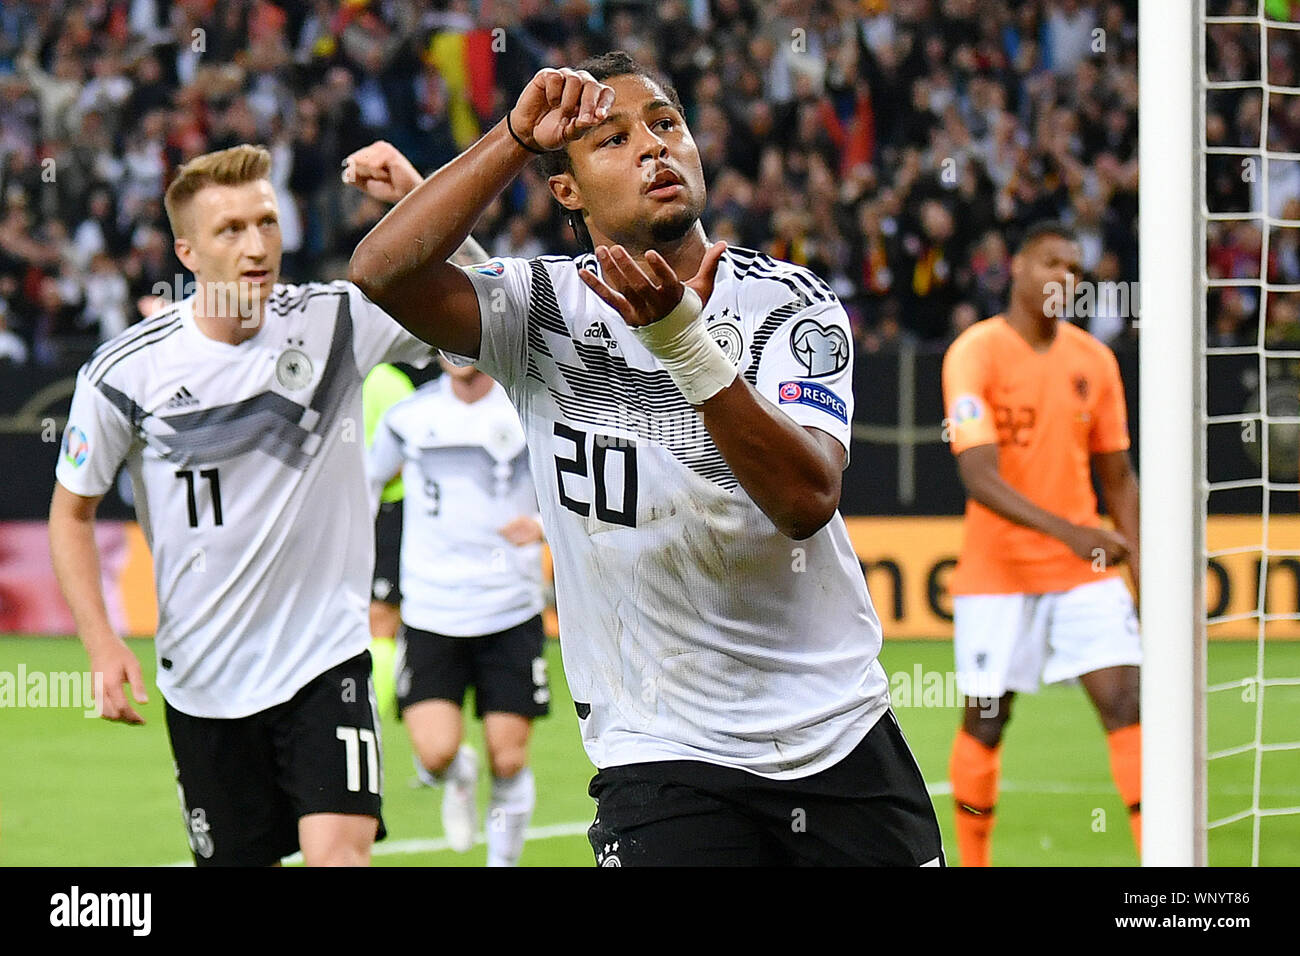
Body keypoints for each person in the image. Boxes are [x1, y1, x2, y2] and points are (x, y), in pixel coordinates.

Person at [346, 52, 944, 866]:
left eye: (667, 123)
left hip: (834, 731)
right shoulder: (539, 310)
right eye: (614, 139)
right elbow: (379, 271)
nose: (654, 148)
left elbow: (807, 499)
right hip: (658, 752)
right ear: (567, 189)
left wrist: (683, 345)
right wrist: (514, 137)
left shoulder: (787, 302)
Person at [47, 144, 450, 867]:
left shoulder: (337, 324)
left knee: (340, 857)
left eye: (267, 221)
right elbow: (70, 513)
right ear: (188, 252)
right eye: (231, 230)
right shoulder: (125, 372)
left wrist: (417, 196)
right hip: (203, 682)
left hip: (324, 663)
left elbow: (489, 305)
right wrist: (102, 646)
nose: (257, 245)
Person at [941, 221, 1141, 867]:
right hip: (998, 575)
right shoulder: (975, 353)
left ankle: (1164, 870)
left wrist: (1143, 577)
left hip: (1086, 576)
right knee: (987, 722)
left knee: (1126, 702)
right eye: (1053, 264)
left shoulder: (1095, 361)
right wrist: (1073, 533)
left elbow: (1119, 477)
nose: (1066, 279)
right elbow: (978, 476)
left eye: (1076, 270)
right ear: (1018, 269)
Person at [367, 357, 549, 866]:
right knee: (435, 754)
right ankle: (458, 777)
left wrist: (541, 525)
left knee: (509, 758)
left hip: (510, 609)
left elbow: (570, 484)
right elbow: (366, 485)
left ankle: (502, 863)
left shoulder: (529, 410)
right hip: (431, 612)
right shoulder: (408, 416)